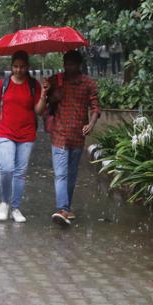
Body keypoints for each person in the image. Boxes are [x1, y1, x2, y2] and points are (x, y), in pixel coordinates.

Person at [42, 50, 101, 225]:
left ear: (79, 65)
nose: (68, 67)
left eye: (72, 64)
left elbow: (96, 107)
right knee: (60, 174)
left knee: (71, 174)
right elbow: (43, 103)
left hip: (77, 137)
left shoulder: (88, 84)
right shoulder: (56, 80)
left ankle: (66, 207)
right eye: (66, 63)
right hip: (59, 135)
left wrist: (90, 124)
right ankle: (63, 209)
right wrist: (48, 93)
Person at [0, 51, 46, 223]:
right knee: (7, 168)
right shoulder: (3, 84)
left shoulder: (34, 85)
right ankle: (4, 203)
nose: (18, 70)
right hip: (6, 131)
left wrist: (43, 95)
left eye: (22, 67)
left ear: (27, 67)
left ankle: (15, 207)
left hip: (27, 134)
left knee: (20, 173)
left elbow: (39, 111)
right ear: (11, 67)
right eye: (15, 66)